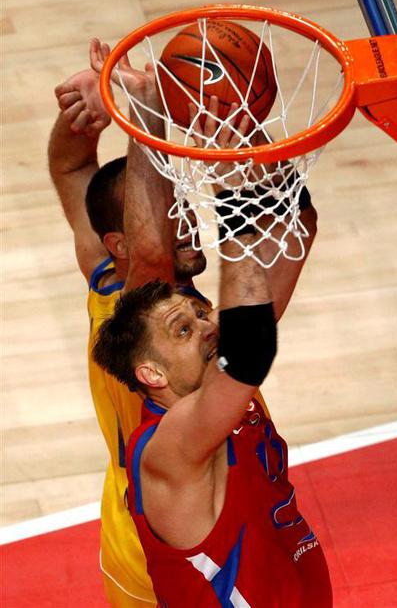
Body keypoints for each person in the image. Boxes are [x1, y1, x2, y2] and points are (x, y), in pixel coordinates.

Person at [50, 39, 318, 605]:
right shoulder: (135, 321)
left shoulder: (181, 316)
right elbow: (156, 258)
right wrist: (147, 116)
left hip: (273, 561)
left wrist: (244, 137)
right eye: (171, 213)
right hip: (166, 561)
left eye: (185, 207)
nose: (189, 224)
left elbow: (295, 230)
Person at [92, 188, 332, 605]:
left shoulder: (208, 375)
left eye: (202, 315)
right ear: (152, 374)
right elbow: (250, 349)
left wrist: (267, 174)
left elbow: (298, 231)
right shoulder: (169, 445)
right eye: (183, 330)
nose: (207, 328)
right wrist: (231, 202)